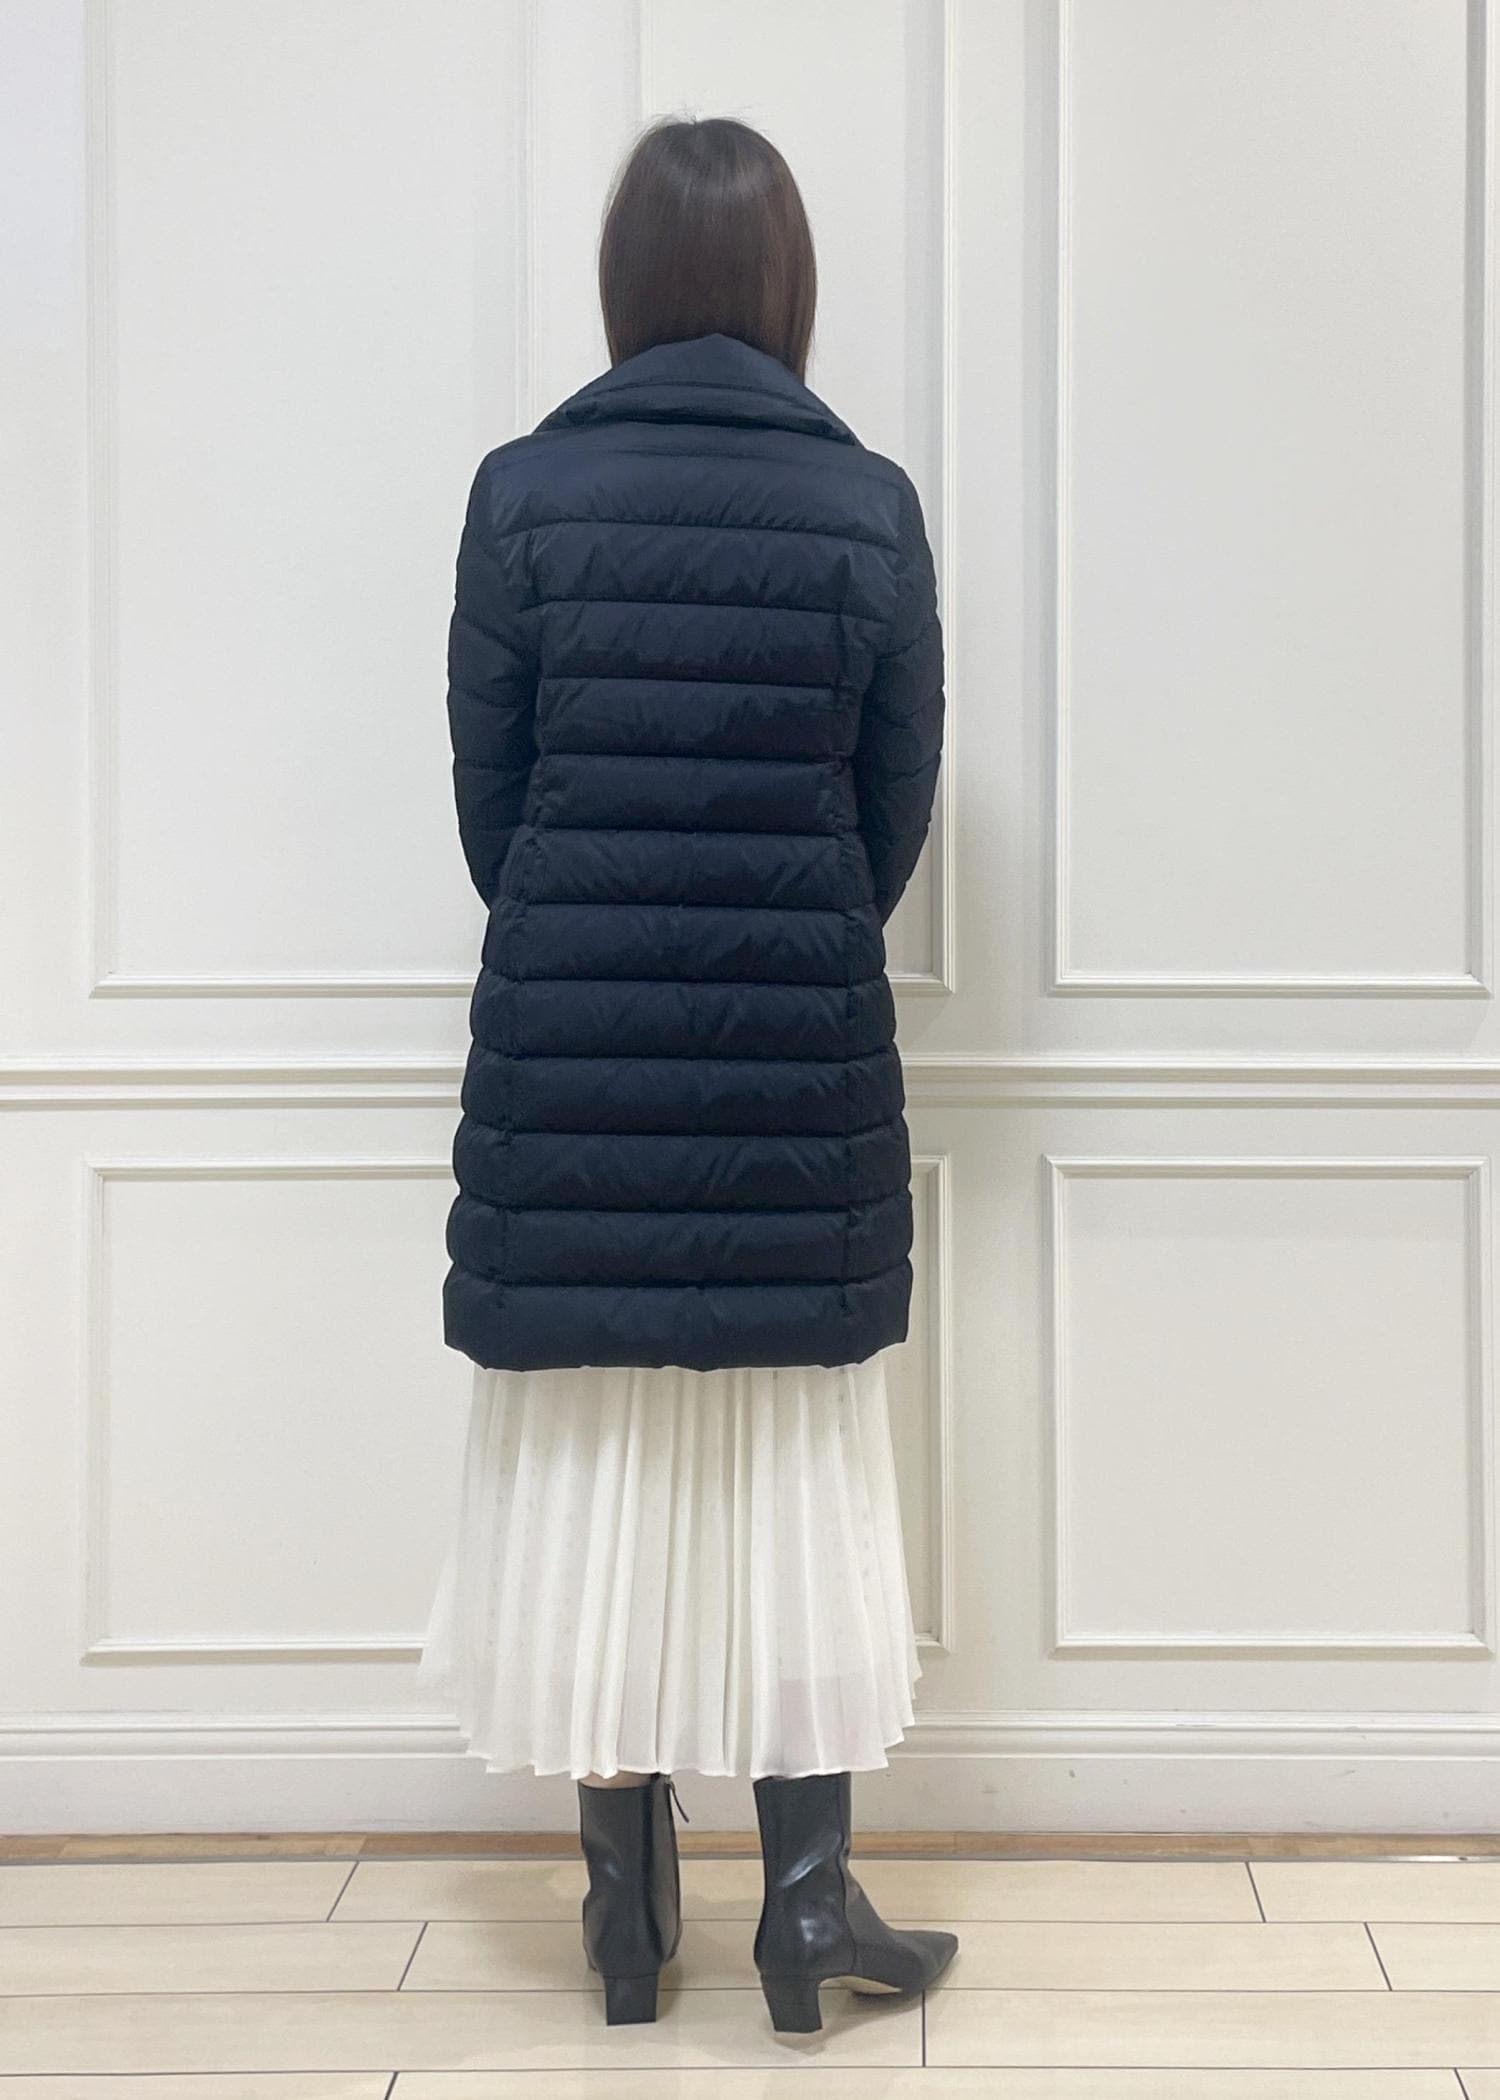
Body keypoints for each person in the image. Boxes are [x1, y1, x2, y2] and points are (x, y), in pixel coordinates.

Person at [417, 112, 954, 2036]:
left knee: (589, 1463)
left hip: (570, 1057)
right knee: (796, 1469)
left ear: (623, 285)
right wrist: (783, 922)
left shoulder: (521, 496)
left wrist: (595, 930)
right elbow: (891, 812)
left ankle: (625, 1922)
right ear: (789, 285)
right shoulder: (866, 505)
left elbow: (494, 812)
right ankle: (807, 1914)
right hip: (800, 1054)